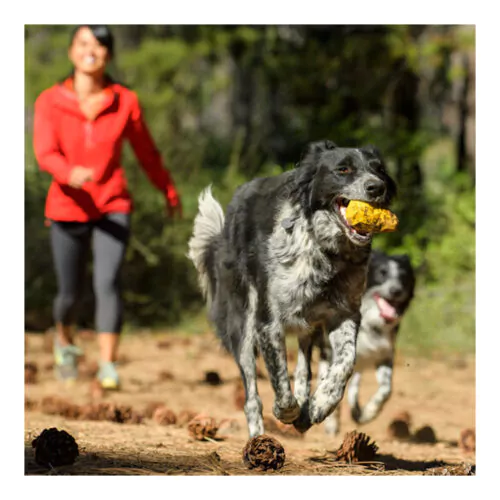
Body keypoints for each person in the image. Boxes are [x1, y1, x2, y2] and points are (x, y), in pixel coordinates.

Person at [33, 25, 182, 389]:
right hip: (66, 206)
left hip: (112, 204)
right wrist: (70, 173)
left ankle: (107, 365)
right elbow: (44, 152)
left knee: (108, 283)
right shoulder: (49, 101)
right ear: (71, 51)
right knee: (69, 294)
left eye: (99, 45)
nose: (91, 51)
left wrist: (167, 189)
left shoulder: (124, 101)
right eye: (84, 43)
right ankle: (64, 339)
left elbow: (146, 150)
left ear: (109, 55)